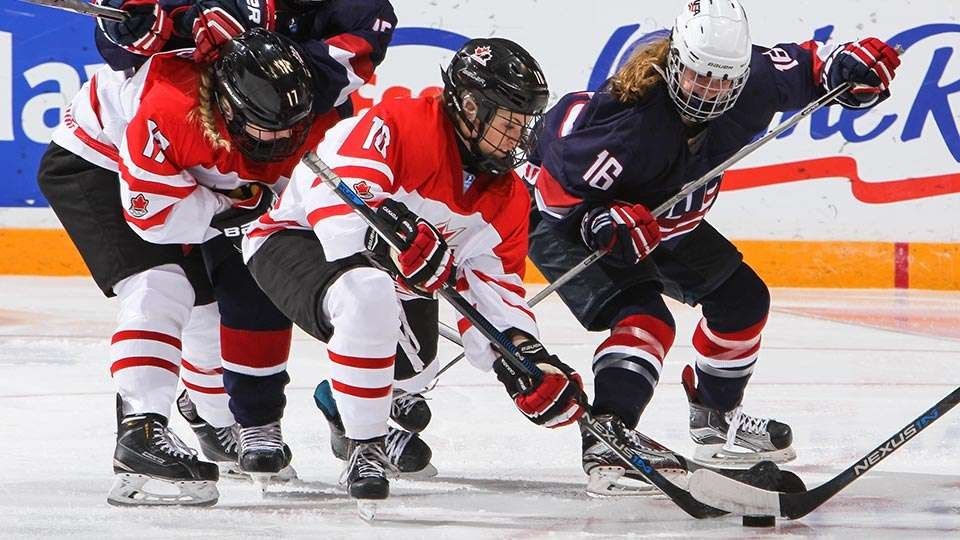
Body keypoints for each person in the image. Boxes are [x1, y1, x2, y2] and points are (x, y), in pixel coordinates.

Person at [527, 0, 900, 494]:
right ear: (675, 61)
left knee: (743, 302)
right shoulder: (629, 120)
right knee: (646, 321)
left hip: (663, 220)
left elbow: (812, 67)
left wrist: (846, 66)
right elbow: (554, 185)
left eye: (724, 80)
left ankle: (714, 417)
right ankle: (608, 434)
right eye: (700, 76)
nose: (710, 92)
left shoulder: (754, 82)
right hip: (565, 224)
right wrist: (598, 220)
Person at [242, 37, 586, 503]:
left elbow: (496, 293)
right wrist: (389, 237)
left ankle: (342, 405)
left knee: (415, 371)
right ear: (469, 106)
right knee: (368, 296)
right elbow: (332, 196)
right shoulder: (405, 122)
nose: (519, 138)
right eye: (509, 123)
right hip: (293, 240)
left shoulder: (507, 197)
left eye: (525, 124)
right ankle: (365, 446)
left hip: (389, 274)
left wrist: (525, 361)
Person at [91, 0, 414, 459]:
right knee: (200, 293)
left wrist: (239, 41)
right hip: (199, 146)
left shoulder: (360, 7)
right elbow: (120, 48)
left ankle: (367, 406)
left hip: (299, 136)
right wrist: (166, 26)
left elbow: (324, 78)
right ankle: (246, 421)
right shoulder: (169, 111)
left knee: (368, 272)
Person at [39, 29, 337, 505]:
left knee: (210, 311)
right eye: (265, 127)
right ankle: (139, 433)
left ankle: (212, 421)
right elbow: (152, 216)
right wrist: (231, 204)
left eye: (288, 128)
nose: (279, 141)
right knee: (161, 285)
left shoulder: (304, 111)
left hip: (185, 181)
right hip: (97, 163)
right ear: (230, 106)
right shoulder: (170, 108)